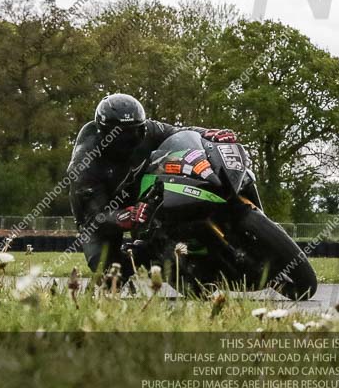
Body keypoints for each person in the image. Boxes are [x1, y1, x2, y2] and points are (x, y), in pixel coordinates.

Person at [67, 93, 236, 277]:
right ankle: (138, 257)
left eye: (135, 131)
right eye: (121, 136)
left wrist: (207, 133)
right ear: (104, 134)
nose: (131, 139)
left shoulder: (147, 129)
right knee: (105, 268)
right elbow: (94, 217)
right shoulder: (85, 163)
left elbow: (178, 131)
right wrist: (125, 215)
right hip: (99, 211)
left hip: (140, 193)